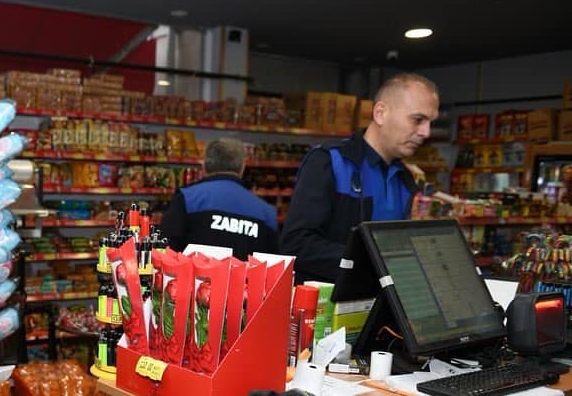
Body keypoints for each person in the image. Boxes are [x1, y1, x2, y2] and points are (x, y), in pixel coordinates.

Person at [280, 73, 440, 282]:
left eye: (430, 122)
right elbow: (296, 244)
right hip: (327, 309)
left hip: (377, 309)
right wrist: (368, 262)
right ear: (380, 113)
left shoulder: (405, 181)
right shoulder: (331, 162)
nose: (426, 132)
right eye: (418, 120)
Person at [161, 137, 279, 259]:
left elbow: (165, 249)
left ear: (204, 165)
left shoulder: (188, 198)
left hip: (194, 276)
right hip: (245, 278)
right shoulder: (266, 213)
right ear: (242, 167)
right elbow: (272, 264)